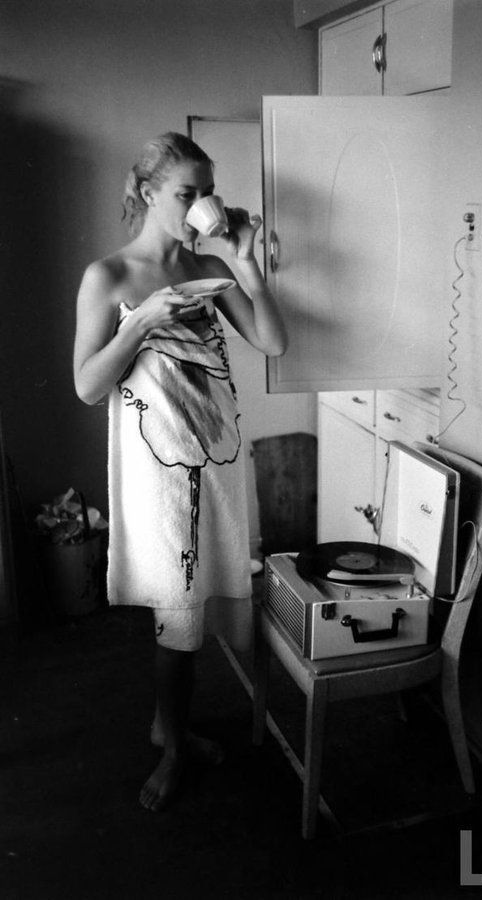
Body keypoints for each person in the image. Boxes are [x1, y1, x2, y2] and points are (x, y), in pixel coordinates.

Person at [73, 131, 287, 812]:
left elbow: (272, 340)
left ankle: (168, 725)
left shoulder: (206, 267)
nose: (202, 204)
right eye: (186, 192)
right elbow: (88, 385)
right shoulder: (108, 276)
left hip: (216, 462)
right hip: (159, 473)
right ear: (147, 192)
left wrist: (245, 261)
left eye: (207, 191)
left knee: (193, 610)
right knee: (178, 612)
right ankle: (172, 749)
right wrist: (140, 323)